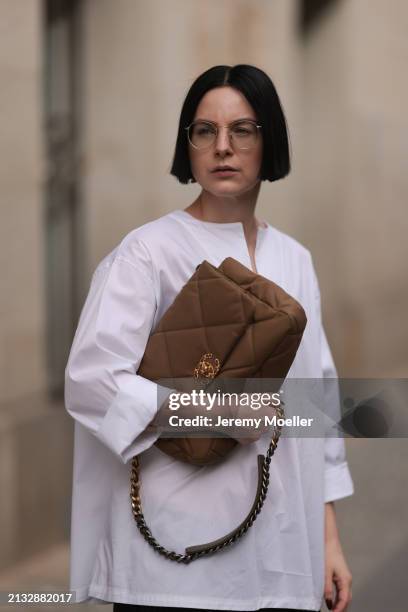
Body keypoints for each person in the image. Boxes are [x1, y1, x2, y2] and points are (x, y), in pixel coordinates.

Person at [65, 65, 354, 612]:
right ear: (188, 145)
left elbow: (316, 399)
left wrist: (329, 539)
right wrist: (218, 413)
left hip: (284, 550)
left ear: (269, 141)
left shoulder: (295, 257)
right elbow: (92, 381)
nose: (223, 147)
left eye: (243, 130)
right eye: (205, 131)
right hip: (175, 555)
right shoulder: (147, 251)